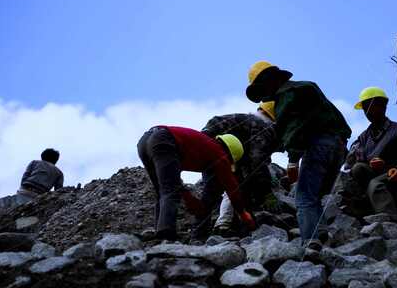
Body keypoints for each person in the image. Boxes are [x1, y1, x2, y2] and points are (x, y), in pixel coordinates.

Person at [245, 61, 351, 242]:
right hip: (339, 146)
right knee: (314, 193)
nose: (264, 98)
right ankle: (322, 233)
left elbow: (294, 128)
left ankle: (311, 242)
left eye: (262, 91)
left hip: (318, 145)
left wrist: (293, 160)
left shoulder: (286, 95)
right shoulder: (307, 86)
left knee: (303, 198)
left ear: (268, 81)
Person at [137, 125, 256, 241]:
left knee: (162, 191)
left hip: (145, 142)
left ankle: (160, 231)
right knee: (169, 191)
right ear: (230, 155)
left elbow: (174, 182)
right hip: (163, 139)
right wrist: (243, 213)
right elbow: (232, 187)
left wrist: (189, 199)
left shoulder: (206, 145)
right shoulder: (219, 153)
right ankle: (166, 234)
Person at [201, 102, 279, 235]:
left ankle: (208, 230)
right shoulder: (262, 127)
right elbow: (257, 160)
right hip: (219, 151)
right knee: (235, 186)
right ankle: (225, 225)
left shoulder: (246, 122)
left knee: (214, 190)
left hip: (205, 144)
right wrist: (266, 191)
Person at [343, 87, 397, 216]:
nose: (367, 112)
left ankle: (389, 218)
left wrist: (396, 168)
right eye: (364, 108)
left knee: (375, 184)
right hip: (373, 176)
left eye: (370, 106)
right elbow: (352, 165)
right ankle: (368, 204)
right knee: (358, 168)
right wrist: (369, 163)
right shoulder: (363, 137)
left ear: (382, 106)